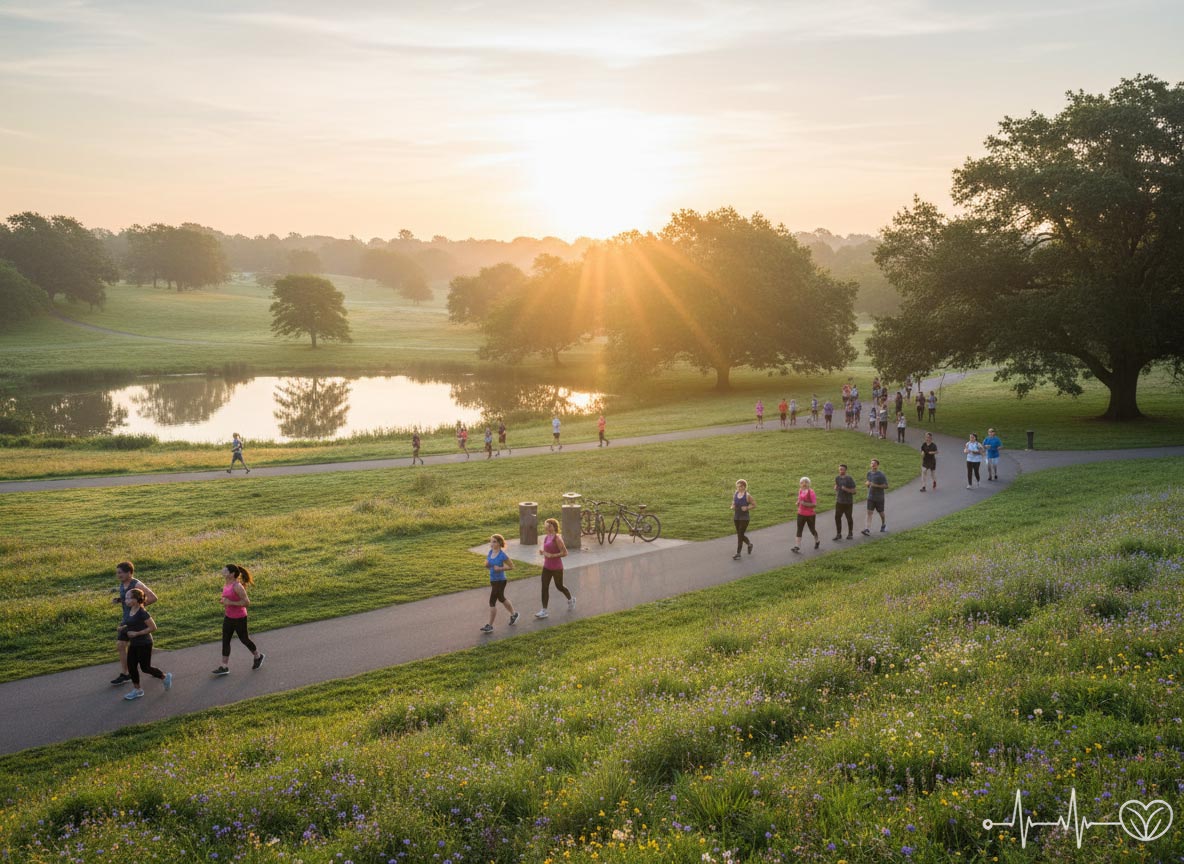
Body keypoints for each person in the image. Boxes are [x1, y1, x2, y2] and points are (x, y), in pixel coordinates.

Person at [109, 561, 158, 687]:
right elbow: (129, 599)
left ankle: (146, 668)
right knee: (120, 645)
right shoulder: (122, 584)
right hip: (126, 619)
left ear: (129, 572)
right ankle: (126, 674)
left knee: (139, 643)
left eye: (120, 573)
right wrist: (120, 600)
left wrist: (137, 608)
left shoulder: (136, 583)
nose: (118, 575)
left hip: (136, 619)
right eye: (117, 573)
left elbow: (153, 597)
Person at [211, 564, 265, 675]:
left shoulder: (237, 586)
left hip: (240, 618)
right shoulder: (226, 582)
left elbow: (246, 602)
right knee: (225, 640)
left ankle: (258, 656)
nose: (223, 570)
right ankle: (224, 666)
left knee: (244, 639)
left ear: (232, 574)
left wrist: (230, 602)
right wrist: (223, 600)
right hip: (228, 616)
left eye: (225, 569)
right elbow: (227, 596)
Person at [119, 587, 171, 700]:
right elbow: (131, 623)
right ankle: (137, 690)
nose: (125, 599)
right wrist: (123, 627)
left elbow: (153, 627)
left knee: (145, 668)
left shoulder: (142, 612)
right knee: (131, 666)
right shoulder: (130, 610)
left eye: (128, 597)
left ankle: (165, 677)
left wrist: (137, 633)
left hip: (144, 643)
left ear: (136, 599)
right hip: (134, 643)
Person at [535, 518, 574, 618]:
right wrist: (542, 552)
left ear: (554, 527)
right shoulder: (546, 537)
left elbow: (565, 553)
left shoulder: (557, 538)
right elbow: (547, 550)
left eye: (549, 525)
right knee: (544, 587)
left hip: (557, 567)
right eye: (546, 525)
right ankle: (544, 610)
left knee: (559, 586)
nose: (547, 527)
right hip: (546, 567)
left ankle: (571, 599)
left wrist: (552, 556)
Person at [481, 534, 518, 631]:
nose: (491, 543)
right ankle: (514, 614)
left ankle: (490, 626)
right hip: (493, 580)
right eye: (491, 541)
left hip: (500, 581)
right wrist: (487, 565)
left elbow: (512, 566)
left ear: (499, 543)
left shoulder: (502, 555)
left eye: (494, 541)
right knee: (501, 598)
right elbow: (488, 564)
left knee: (492, 602)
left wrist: (500, 568)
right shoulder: (490, 552)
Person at [792, 477, 820, 553]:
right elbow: (799, 499)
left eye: (806, 482)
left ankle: (817, 540)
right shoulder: (800, 490)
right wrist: (798, 502)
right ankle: (797, 546)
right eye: (802, 483)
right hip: (800, 513)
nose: (804, 484)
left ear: (809, 484)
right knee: (799, 529)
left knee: (812, 530)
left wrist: (805, 504)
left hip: (810, 515)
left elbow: (814, 505)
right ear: (800, 484)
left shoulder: (811, 492)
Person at [861, 458, 889, 535]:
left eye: (874, 463)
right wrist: (867, 484)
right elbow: (868, 483)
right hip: (870, 497)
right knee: (869, 512)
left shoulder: (881, 474)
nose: (873, 464)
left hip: (879, 498)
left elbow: (886, 486)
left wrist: (875, 485)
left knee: (881, 513)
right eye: (872, 463)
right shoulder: (869, 473)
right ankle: (867, 528)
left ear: (877, 465)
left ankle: (883, 524)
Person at [731, 479, 755, 559]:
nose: (738, 488)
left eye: (740, 486)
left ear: (744, 487)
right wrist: (732, 506)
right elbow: (734, 502)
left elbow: (754, 505)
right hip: (736, 517)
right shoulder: (736, 493)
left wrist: (747, 507)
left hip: (745, 518)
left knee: (740, 534)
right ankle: (749, 544)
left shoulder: (747, 495)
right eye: (737, 486)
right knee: (740, 534)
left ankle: (738, 553)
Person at [833, 464, 856, 540]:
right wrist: (836, 488)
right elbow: (837, 487)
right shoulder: (837, 478)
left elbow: (854, 491)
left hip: (848, 502)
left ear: (845, 470)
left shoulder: (849, 479)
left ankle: (850, 533)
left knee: (849, 518)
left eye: (842, 469)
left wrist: (846, 489)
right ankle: (838, 534)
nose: (840, 471)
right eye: (839, 469)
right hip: (839, 502)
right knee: (837, 518)